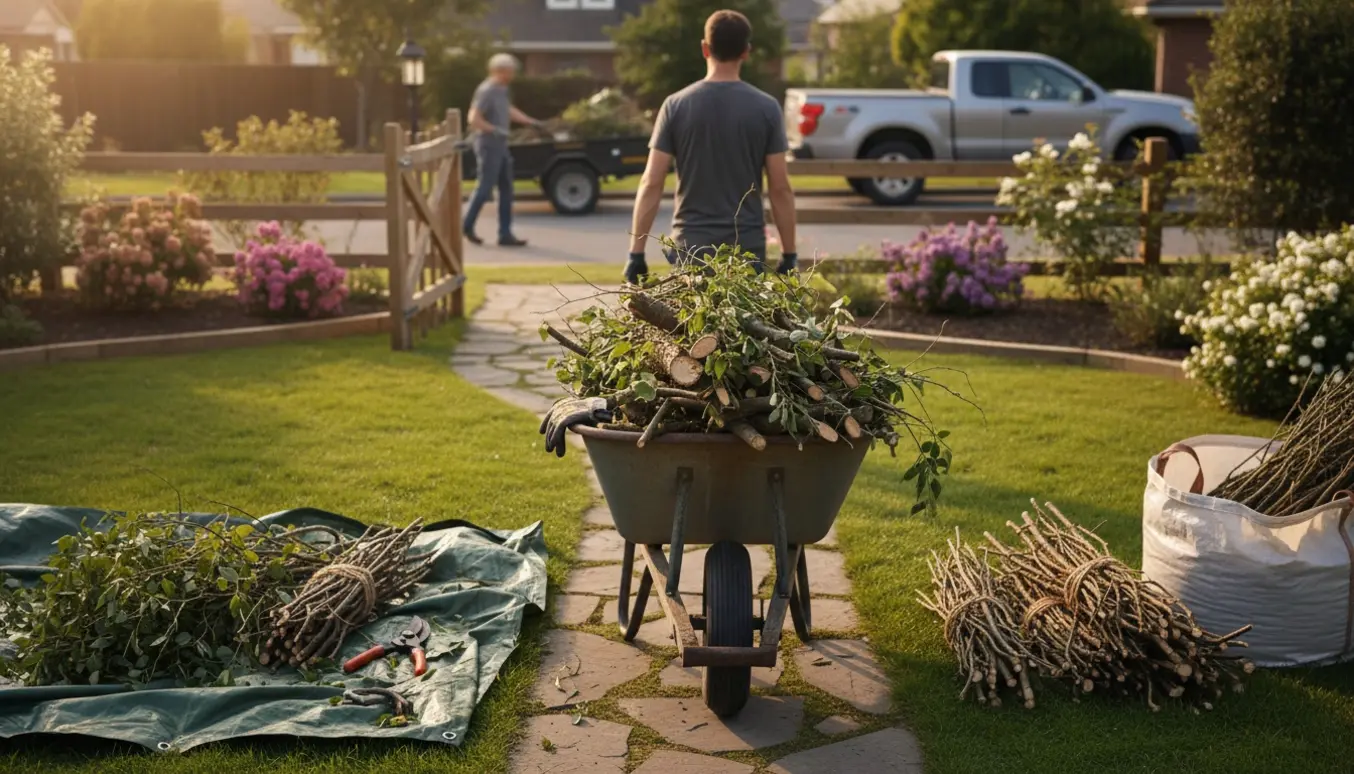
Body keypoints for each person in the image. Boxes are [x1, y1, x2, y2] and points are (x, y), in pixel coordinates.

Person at [623, 9, 798, 284]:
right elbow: (780, 187)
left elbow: (651, 182)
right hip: (747, 250)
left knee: (694, 326)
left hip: (691, 250)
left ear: (705, 48)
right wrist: (789, 254)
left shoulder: (675, 106)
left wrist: (636, 254)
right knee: (746, 326)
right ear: (746, 51)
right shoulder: (767, 108)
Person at [464, 53, 541, 247]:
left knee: (506, 188)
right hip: (488, 144)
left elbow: (508, 110)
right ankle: (466, 225)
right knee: (485, 187)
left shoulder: (501, 90)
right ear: (500, 71)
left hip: (500, 145)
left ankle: (505, 234)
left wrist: (530, 121)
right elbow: (473, 118)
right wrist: (494, 129)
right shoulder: (487, 90)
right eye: (510, 71)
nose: (513, 74)